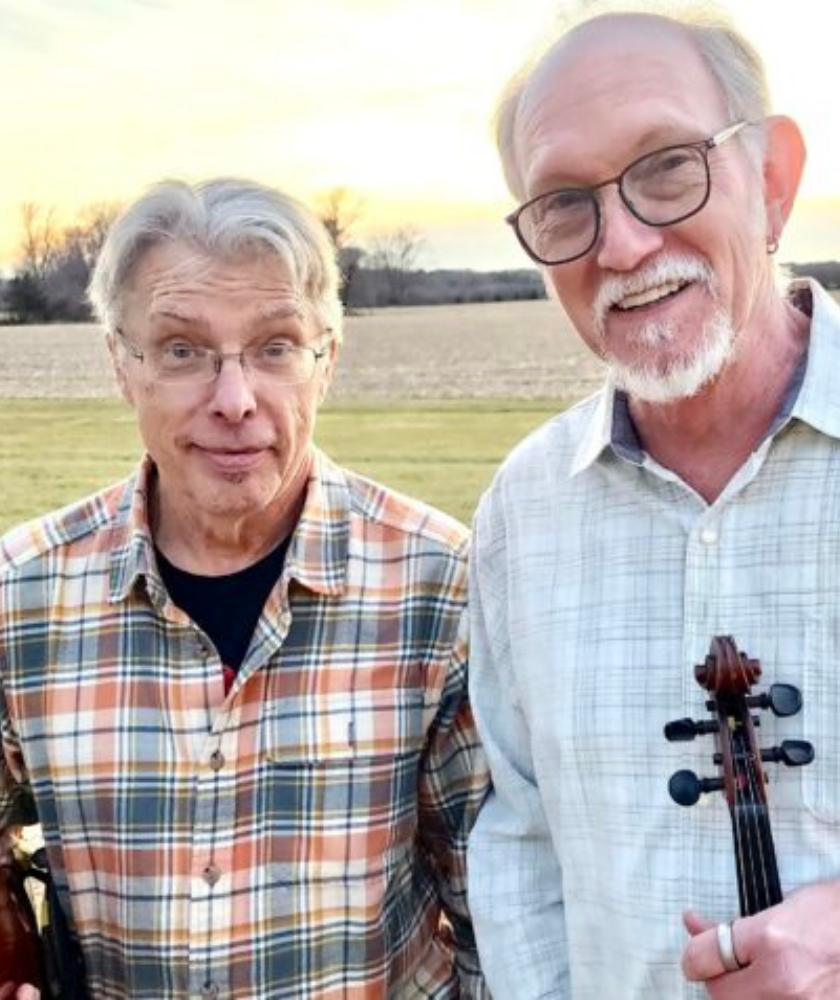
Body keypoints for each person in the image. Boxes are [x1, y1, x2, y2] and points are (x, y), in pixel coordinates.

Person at [0, 178, 489, 999]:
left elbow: (496, 910)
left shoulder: (440, 587)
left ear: (326, 361)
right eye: (183, 350)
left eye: (275, 347)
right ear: (121, 364)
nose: (234, 402)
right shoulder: (22, 596)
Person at [467, 3, 840, 998]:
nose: (623, 245)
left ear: (771, 179)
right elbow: (522, 838)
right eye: (562, 204)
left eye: (668, 165)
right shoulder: (519, 513)